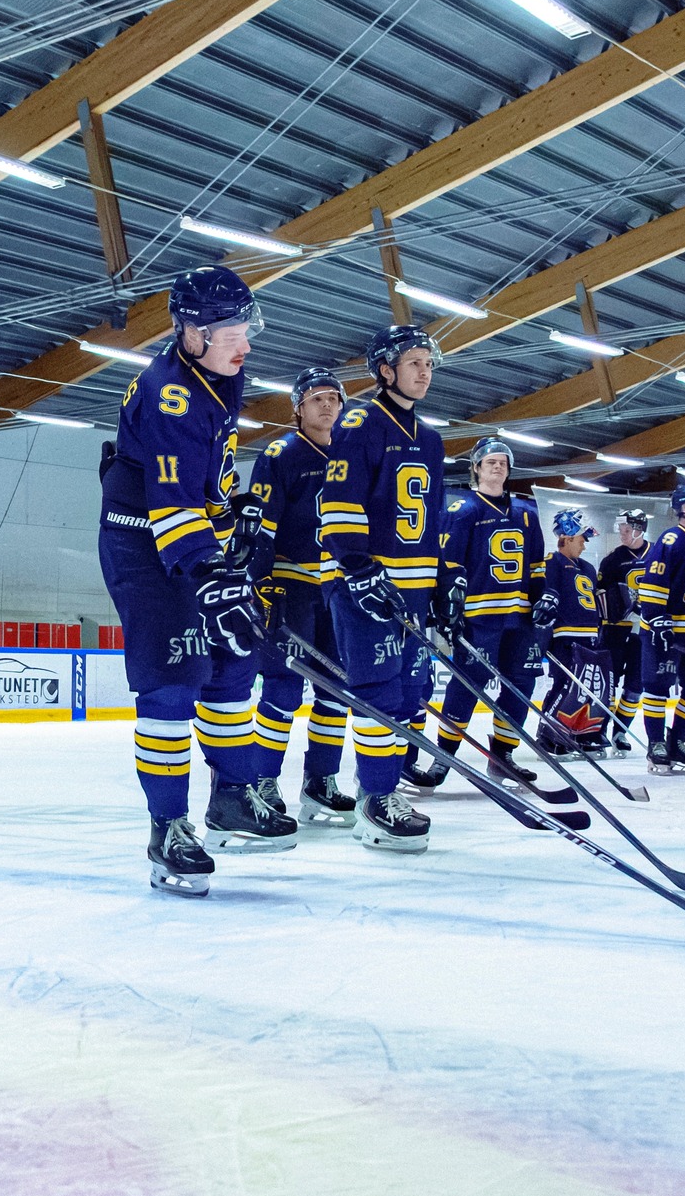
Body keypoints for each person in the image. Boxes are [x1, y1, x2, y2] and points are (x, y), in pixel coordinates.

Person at [99, 265, 296, 897]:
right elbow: (171, 499)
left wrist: (230, 519)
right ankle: (167, 828)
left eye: (246, 328)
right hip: (142, 542)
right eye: (231, 332)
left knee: (234, 665)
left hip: (188, 537)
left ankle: (231, 796)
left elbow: (202, 481)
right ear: (191, 332)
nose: (245, 344)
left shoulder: (220, 375)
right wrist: (211, 570)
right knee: (172, 680)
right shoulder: (170, 394)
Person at [317, 323, 445, 851]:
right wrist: (358, 566)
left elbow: (433, 519)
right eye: (414, 362)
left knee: (410, 694)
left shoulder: (430, 438)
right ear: (385, 369)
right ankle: (376, 800)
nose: (424, 372)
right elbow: (338, 502)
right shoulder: (360, 421)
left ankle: (384, 787)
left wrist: (445, 582)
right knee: (378, 693)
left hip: (413, 589)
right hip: (364, 583)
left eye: (429, 364)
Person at [236, 367, 358, 827]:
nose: (327, 405)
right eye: (317, 398)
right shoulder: (281, 453)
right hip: (291, 587)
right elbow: (262, 528)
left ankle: (321, 780)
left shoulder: (351, 454)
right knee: (284, 688)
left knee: (337, 689)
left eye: (334, 398)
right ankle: (263, 779)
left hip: (337, 591)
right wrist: (261, 584)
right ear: (299, 408)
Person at [416, 437, 545, 791]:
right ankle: (443, 757)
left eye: (503, 462)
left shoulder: (527, 514)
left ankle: (503, 756)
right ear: (476, 468)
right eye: (491, 462)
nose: (498, 466)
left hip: (519, 618)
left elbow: (537, 568)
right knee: (467, 686)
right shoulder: (463, 511)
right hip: (478, 617)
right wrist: (446, 607)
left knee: (521, 686)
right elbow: (447, 565)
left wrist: (545, 596)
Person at [635, 483, 685, 775]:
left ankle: (677, 742)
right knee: (657, 686)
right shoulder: (672, 539)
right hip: (662, 629)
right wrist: (656, 617)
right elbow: (653, 581)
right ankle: (656, 743)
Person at [536, 507, 605, 756]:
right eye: (581, 539)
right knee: (564, 685)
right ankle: (547, 733)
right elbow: (547, 595)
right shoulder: (552, 563)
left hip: (590, 637)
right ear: (566, 537)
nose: (584, 545)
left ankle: (579, 732)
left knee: (587, 689)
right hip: (564, 636)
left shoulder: (588, 568)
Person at [598, 507, 649, 754]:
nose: (622, 534)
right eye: (621, 529)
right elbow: (600, 594)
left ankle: (620, 732)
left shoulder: (657, 554)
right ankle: (599, 731)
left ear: (639, 529)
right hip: (615, 632)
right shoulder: (612, 560)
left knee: (636, 686)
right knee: (608, 684)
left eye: (626, 530)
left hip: (644, 633)